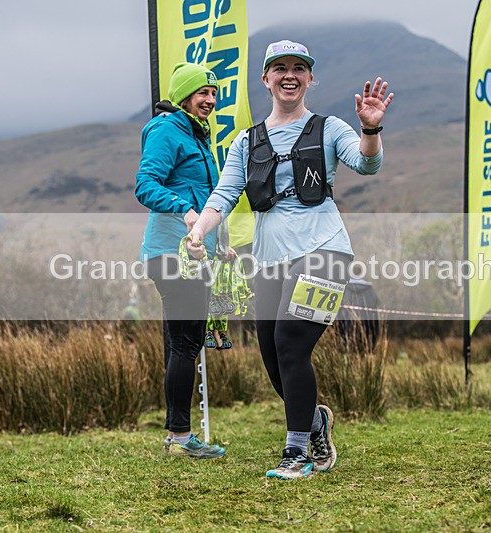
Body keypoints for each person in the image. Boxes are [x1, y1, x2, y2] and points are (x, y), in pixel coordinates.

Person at [188, 40, 393, 478]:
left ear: (310, 78)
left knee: (290, 343)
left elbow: (366, 164)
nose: (289, 75)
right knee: (273, 357)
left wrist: (371, 131)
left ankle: (297, 453)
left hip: (326, 252)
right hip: (269, 258)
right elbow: (224, 194)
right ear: (265, 79)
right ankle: (315, 421)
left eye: (299, 68)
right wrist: (199, 230)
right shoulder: (246, 142)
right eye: (279, 68)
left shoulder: (330, 127)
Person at [135, 62, 226, 459]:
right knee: (186, 345)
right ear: (184, 95)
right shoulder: (167, 130)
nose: (210, 100)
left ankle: (177, 436)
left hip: (193, 253)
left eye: (213, 93)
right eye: (202, 92)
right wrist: (186, 212)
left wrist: (217, 240)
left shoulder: (199, 136)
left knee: (179, 345)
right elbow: (146, 185)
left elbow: (205, 194)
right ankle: (180, 438)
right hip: (172, 254)